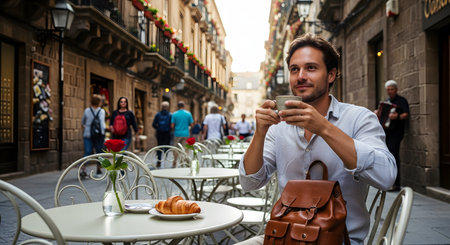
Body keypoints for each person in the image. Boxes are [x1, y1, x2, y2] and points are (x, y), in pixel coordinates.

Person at [238, 33, 396, 245]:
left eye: (311, 68)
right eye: (295, 69)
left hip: (339, 239)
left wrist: (323, 127)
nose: (301, 76)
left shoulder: (359, 118)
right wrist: (260, 132)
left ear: (331, 75)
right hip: (284, 235)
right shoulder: (279, 127)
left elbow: (386, 176)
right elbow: (249, 182)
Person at [381, 80, 410, 191]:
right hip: (386, 133)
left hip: (396, 133)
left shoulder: (402, 101)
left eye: (391, 89)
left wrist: (397, 116)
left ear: (396, 89)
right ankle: (388, 182)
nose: (390, 91)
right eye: (388, 89)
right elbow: (381, 114)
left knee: (393, 156)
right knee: (387, 157)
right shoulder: (386, 102)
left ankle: (396, 184)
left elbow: (406, 115)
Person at [81, 94, 106, 178]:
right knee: (99, 152)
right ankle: (98, 170)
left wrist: (87, 127)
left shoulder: (87, 111)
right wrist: (103, 133)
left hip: (88, 134)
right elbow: (102, 124)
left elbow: (83, 122)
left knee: (87, 152)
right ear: (99, 102)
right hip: (99, 135)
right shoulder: (102, 111)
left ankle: (84, 169)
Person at [171, 101, 194, 166]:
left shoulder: (174, 114)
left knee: (176, 148)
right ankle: (185, 161)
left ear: (178, 106)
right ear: (184, 106)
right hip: (186, 133)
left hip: (177, 133)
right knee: (186, 148)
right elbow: (192, 125)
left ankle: (175, 161)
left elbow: (172, 126)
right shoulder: (188, 114)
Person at [152, 101, 172, 167]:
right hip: (167, 132)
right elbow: (172, 125)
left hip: (159, 132)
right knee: (166, 146)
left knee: (159, 146)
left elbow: (154, 124)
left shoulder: (158, 114)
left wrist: (158, 128)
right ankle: (166, 159)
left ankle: (159, 160)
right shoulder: (170, 115)